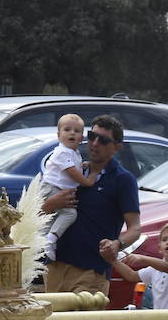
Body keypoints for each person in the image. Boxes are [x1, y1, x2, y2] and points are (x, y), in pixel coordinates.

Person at [42, 115, 141, 297]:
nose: (94, 143)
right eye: (91, 136)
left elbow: (135, 228)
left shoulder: (122, 180)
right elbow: (40, 212)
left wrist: (117, 244)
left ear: (117, 147)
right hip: (55, 266)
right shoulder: (74, 169)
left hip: (90, 272)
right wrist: (50, 204)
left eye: (103, 140)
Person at [103, 220, 168, 310]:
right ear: (159, 248)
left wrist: (143, 259)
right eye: (164, 239)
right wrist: (113, 260)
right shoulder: (155, 269)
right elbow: (131, 275)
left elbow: (166, 267)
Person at [40, 113, 94, 259]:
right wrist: (87, 181)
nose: (72, 133)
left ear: (81, 137)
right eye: (67, 129)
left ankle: (44, 241)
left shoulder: (74, 153)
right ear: (59, 135)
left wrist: (83, 166)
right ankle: (50, 240)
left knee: (53, 218)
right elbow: (72, 173)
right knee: (70, 214)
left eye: (76, 131)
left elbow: (74, 167)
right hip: (52, 188)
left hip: (59, 188)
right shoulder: (61, 152)